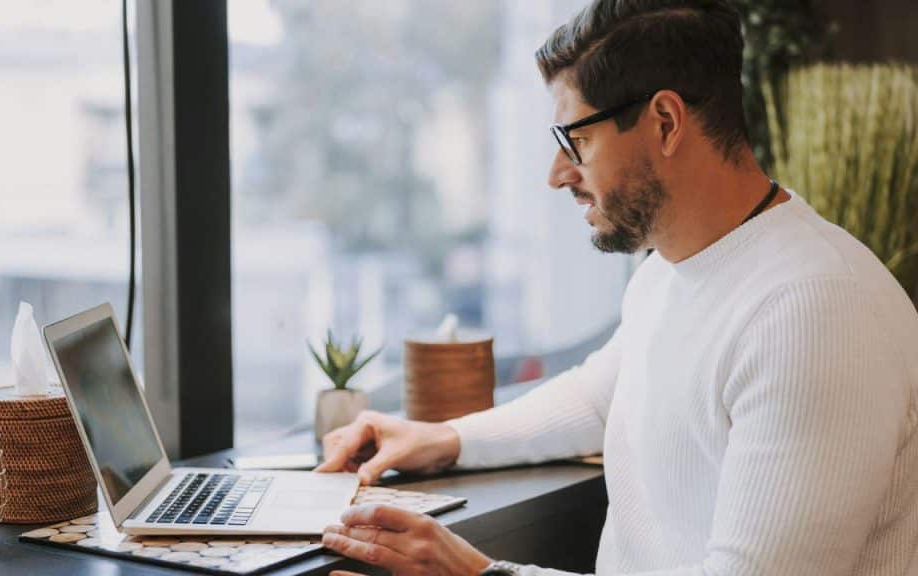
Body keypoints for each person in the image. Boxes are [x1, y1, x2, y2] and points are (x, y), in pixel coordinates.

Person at [315, 1, 918, 574]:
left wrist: (479, 573)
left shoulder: (816, 309)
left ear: (664, 121)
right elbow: (601, 398)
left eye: (575, 140)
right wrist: (444, 438)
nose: (556, 176)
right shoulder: (670, 269)